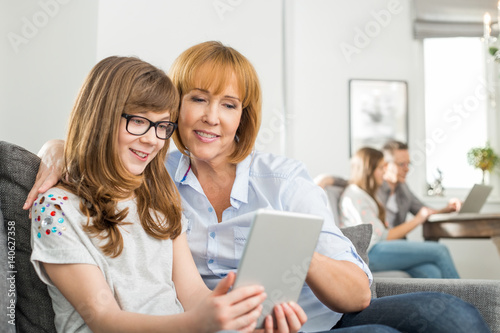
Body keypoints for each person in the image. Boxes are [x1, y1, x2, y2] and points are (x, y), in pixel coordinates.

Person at [26, 42, 491, 333]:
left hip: (316, 316)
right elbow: (103, 137)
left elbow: (357, 296)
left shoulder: (281, 179)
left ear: (243, 117)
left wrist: (292, 253)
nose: (212, 117)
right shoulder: (155, 176)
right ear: (178, 105)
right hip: (225, 323)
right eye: (198, 100)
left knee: (454, 317)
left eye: (229, 105)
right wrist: (56, 150)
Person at [28, 55, 293, 333]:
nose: (152, 139)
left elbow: (193, 295)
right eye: (139, 121)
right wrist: (200, 322)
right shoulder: (55, 209)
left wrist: (246, 322)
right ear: (100, 118)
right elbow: (104, 319)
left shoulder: (159, 198)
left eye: (162, 126)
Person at [339, 147, 460, 279]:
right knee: (440, 250)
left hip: (380, 248)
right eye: (381, 168)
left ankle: (445, 300)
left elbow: (422, 208)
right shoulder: (356, 196)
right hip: (369, 252)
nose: (384, 172)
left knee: (431, 271)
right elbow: (383, 236)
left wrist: (446, 208)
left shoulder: (380, 192)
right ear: (369, 171)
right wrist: (417, 220)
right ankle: (468, 297)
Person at [380, 140, 460, 228]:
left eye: (408, 164)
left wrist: (449, 208)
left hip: (400, 241)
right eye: (402, 164)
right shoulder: (374, 190)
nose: (407, 169)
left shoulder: (403, 188)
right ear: (385, 166)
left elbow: (424, 211)